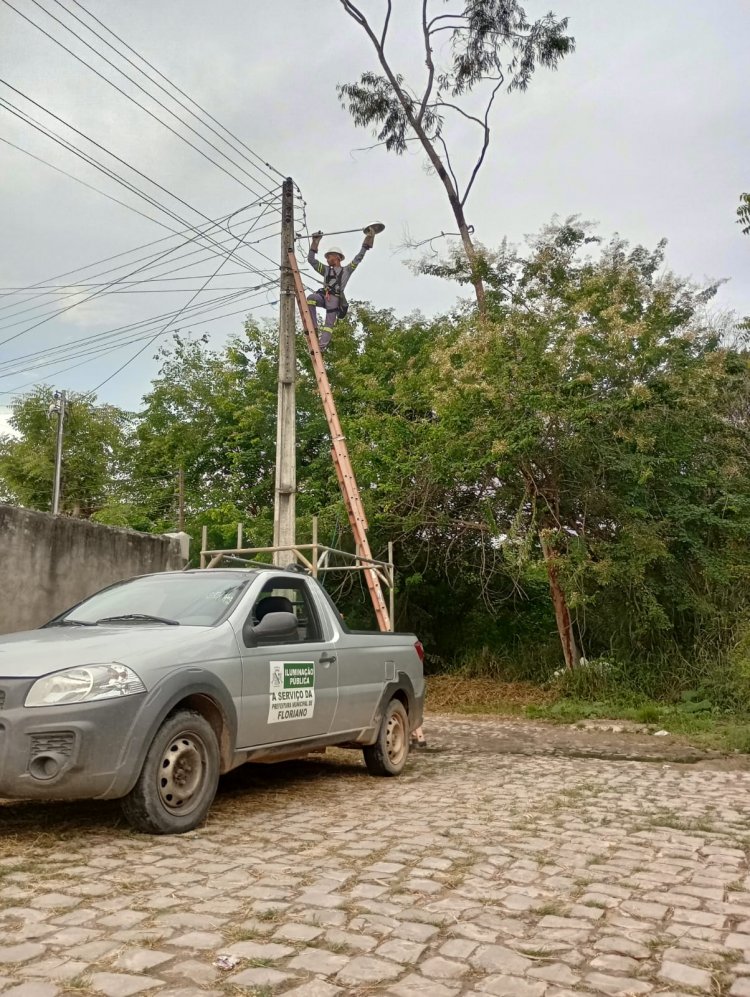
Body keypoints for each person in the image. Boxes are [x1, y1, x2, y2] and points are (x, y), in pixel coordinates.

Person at [306, 227, 376, 349]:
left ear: (337, 257)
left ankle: (321, 347)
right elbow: (311, 260)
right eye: (327, 258)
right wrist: (315, 242)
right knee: (311, 298)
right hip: (324, 296)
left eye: (329, 257)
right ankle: (313, 327)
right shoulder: (326, 270)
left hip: (335, 299)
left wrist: (367, 241)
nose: (327, 259)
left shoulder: (346, 271)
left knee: (328, 324)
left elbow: (358, 258)